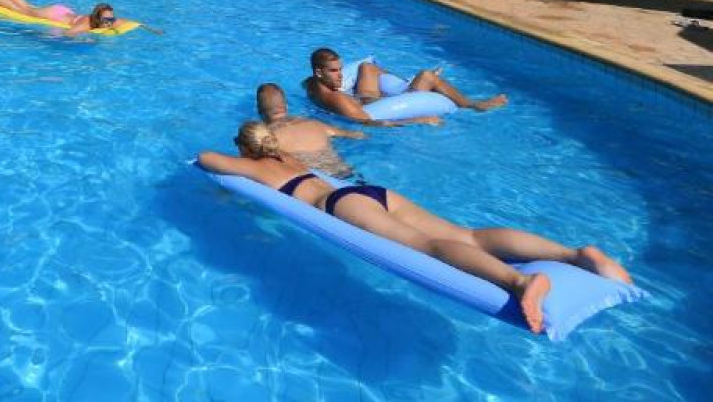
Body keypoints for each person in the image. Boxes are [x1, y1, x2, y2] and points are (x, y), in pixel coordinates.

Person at [198, 120, 632, 334]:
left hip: (338, 203)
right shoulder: (289, 156)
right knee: (465, 235)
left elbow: (206, 159)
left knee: (427, 247)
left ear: (246, 148)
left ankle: (520, 282)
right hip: (374, 193)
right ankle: (575, 255)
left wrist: (238, 157)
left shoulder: (255, 167)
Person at [304, 48, 506, 124]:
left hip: (364, 99)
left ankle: (406, 82)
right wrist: (418, 119)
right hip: (375, 106)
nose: (340, 75)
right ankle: (472, 105)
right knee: (427, 76)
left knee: (367, 67)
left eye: (340, 69)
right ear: (319, 72)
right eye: (334, 71)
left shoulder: (310, 84)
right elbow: (369, 123)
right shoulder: (337, 98)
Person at [256, 82, 365, 174]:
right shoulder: (316, 124)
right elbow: (358, 135)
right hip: (345, 172)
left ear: (259, 111)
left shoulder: (268, 138)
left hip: (318, 180)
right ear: (286, 106)